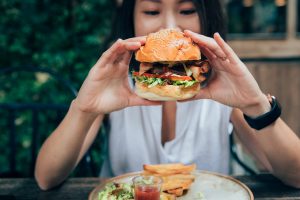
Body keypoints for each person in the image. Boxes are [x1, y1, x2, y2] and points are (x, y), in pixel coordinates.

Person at [35, 0, 300, 190]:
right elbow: (46, 178)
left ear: (207, 16)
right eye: (152, 10)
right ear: (131, 18)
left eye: (186, 10)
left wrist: (256, 105)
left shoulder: (222, 92)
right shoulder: (116, 86)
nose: (170, 26)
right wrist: (84, 108)